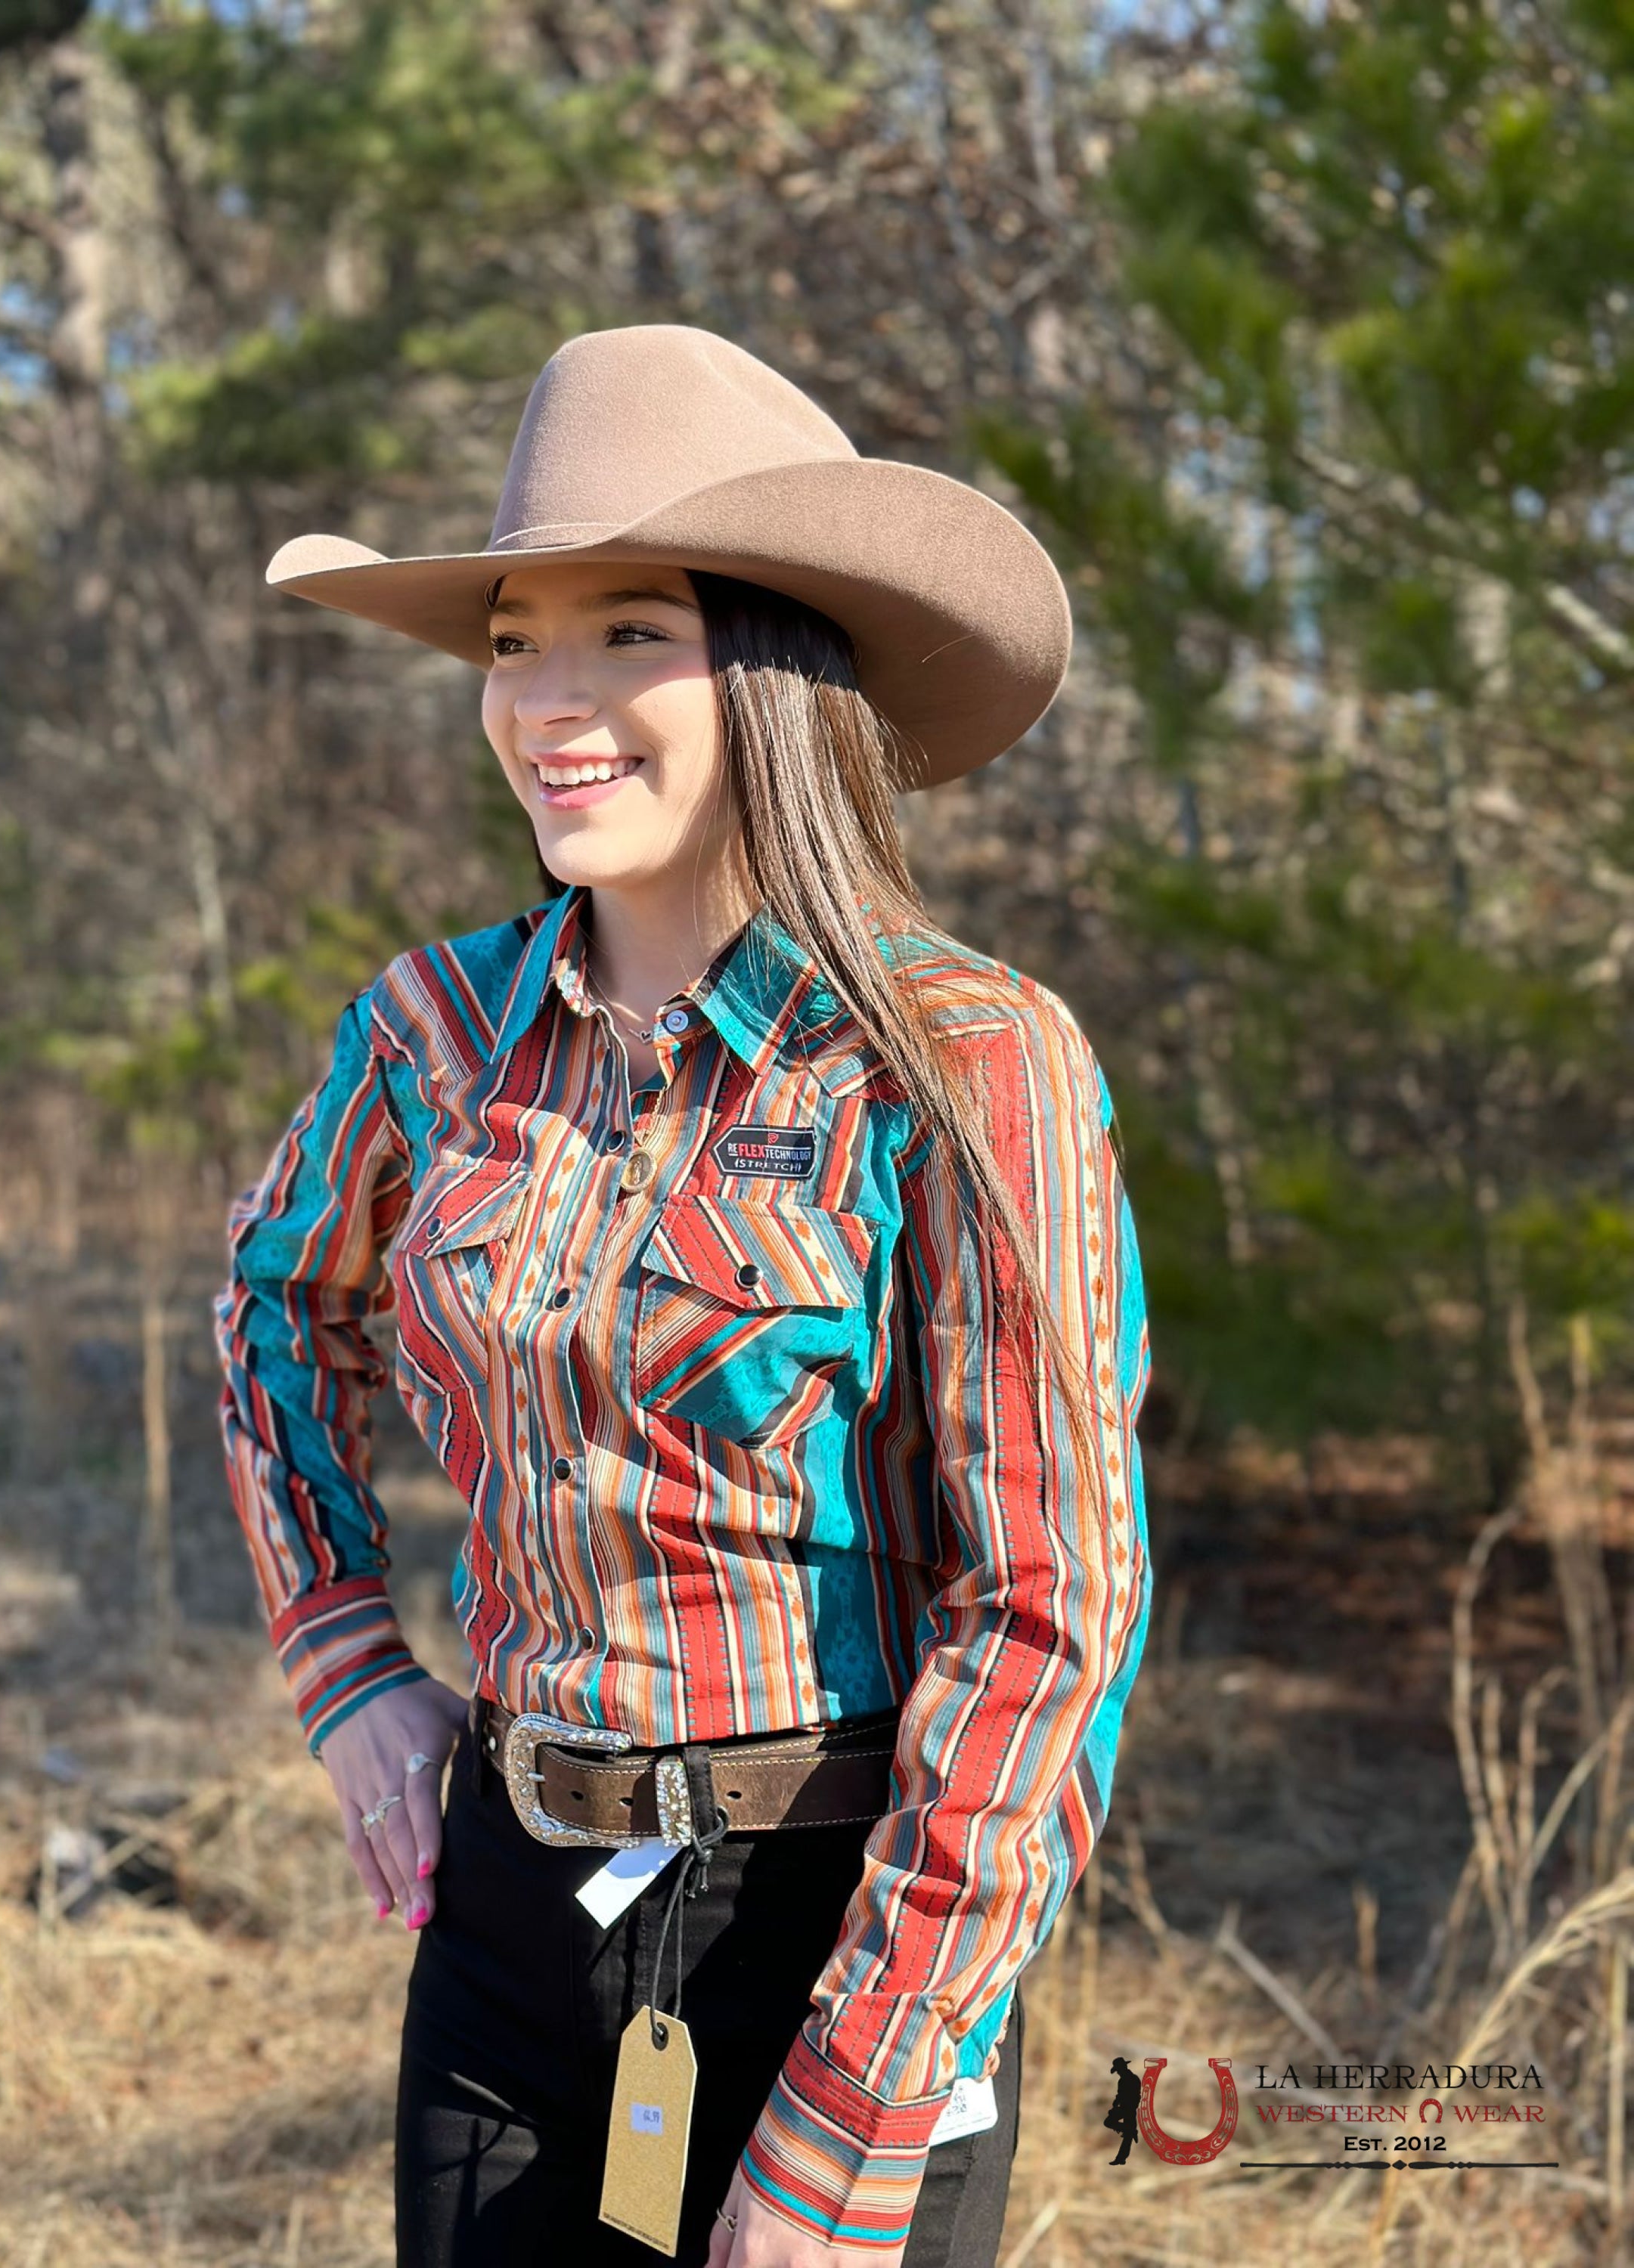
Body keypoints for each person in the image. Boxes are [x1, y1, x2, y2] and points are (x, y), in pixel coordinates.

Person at [212, 324, 1154, 2268]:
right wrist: (352, 1674)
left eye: (629, 631)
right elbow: (272, 1313)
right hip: (507, 1908)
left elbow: (1053, 1610)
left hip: (832, 1938)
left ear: (781, 667)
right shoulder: (431, 1033)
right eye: (509, 641)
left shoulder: (964, 1064)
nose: (549, 701)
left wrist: (856, 2113)